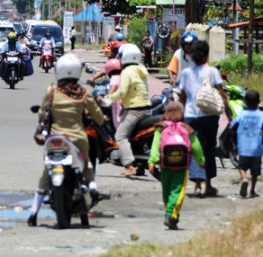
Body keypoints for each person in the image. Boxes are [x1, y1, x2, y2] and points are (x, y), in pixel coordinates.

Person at [27, 53, 105, 226]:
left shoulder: (52, 91)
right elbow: (99, 118)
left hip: (55, 139)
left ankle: (33, 213)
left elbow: (42, 113)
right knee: (86, 163)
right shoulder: (83, 93)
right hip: (78, 139)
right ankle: (92, 188)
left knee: (47, 170)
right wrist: (101, 118)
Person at [179, 40, 231, 197]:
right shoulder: (212, 71)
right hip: (209, 116)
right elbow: (221, 93)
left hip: (190, 117)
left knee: (196, 150)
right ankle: (208, 185)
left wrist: (179, 119)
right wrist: (228, 113)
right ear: (206, 54)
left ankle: (197, 186)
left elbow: (182, 97)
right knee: (209, 148)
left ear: (192, 55)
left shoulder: (186, 73)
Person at [148, 102, 205, 229]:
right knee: (177, 191)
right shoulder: (186, 128)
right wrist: (201, 160)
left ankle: (172, 216)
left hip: (165, 165)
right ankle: (170, 215)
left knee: (167, 192)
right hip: (181, 166)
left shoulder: (161, 127)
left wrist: (152, 161)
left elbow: (155, 145)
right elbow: (196, 146)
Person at [107, 44, 151, 177]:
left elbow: (122, 91)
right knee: (133, 136)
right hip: (146, 107)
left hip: (134, 109)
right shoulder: (141, 69)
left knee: (120, 136)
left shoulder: (126, 72)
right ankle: (140, 166)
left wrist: (109, 99)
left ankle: (130, 166)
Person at [229, 90, 263, 198]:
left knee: (242, 166)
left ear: (245, 102)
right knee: (255, 172)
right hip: (257, 148)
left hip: (243, 147)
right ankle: (252, 190)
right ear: (259, 101)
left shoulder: (241, 114)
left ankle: (244, 179)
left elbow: (232, 127)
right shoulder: (261, 115)